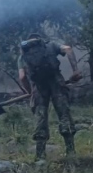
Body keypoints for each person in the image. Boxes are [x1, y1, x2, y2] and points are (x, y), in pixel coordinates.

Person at [17, 33, 81, 161]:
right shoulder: (50, 45)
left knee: (41, 117)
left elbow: (22, 77)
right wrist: (75, 70)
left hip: (38, 86)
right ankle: (71, 152)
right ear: (39, 39)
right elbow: (68, 49)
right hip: (56, 81)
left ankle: (40, 156)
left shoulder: (23, 54)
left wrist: (30, 92)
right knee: (64, 114)